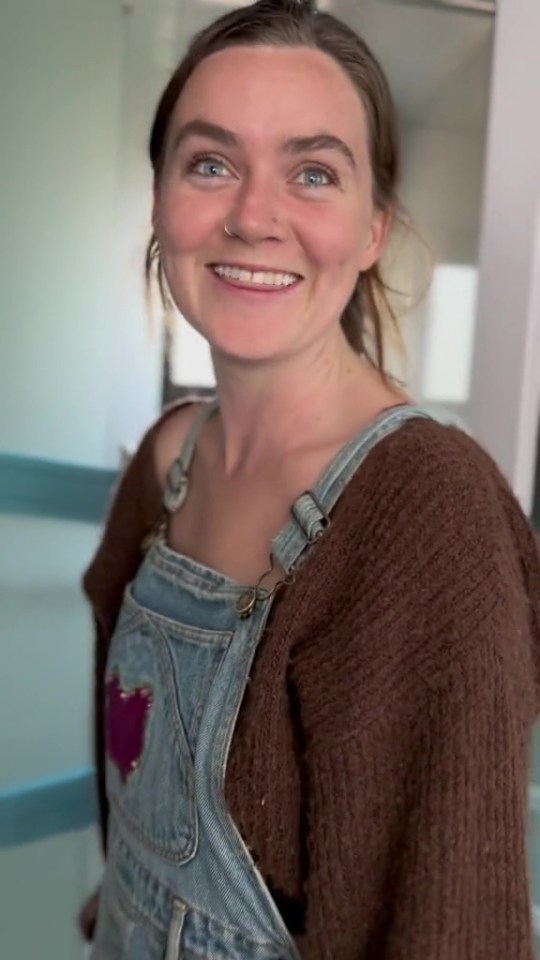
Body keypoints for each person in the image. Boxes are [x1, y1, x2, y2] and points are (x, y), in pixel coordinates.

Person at [79, 0, 540, 957]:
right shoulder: (170, 460)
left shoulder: (427, 516)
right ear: (161, 199)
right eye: (210, 162)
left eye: (314, 172)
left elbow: (446, 932)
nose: (253, 216)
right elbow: (127, 782)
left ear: (374, 229)